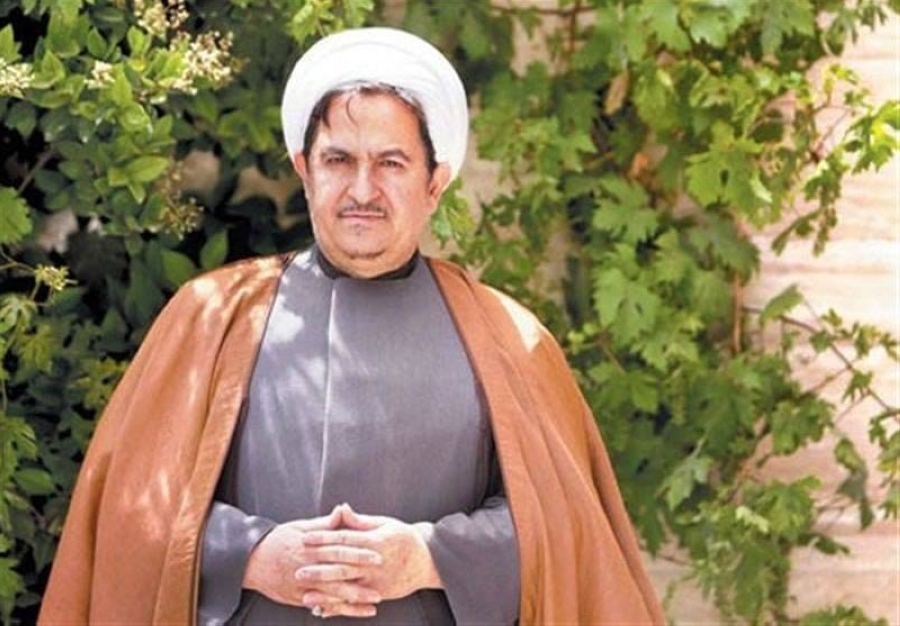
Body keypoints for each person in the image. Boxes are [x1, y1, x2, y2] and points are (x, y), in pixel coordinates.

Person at [38, 27, 664, 625]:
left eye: (391, 163)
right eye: (339, 159)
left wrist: (431, 557)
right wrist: (249, 556)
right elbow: (129, 514)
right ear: (304, 169)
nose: (362, 189)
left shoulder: (511, 339)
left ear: (435, 182)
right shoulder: (210, 318)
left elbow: (568, 534)